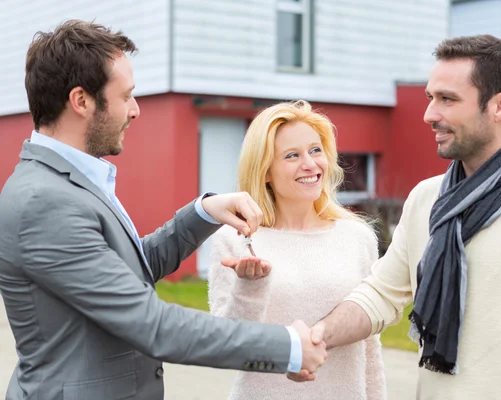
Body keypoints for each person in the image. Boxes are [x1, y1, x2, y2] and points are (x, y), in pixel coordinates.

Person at [0, 20, 326, 400]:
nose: (135, 110)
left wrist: (204, 212)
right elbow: (151, 324)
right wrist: (287, 347)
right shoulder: (45, 201)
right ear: (81, 101)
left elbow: (127, 272)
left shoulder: (67, 181)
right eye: (126, 96)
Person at [291, 35, 501, 399]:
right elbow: (381, 294)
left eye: (447, 99)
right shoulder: (426, 199)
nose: (429, 114)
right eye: (430, 98)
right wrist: (314, 339)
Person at [207, 100, 387, 399]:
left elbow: (370, 347)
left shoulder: (358, 237)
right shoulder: (236, 239)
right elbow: (225, 346)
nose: (310, 164)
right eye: (292, 155)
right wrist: (249, 288)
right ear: (265, 171)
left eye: (315, 150)